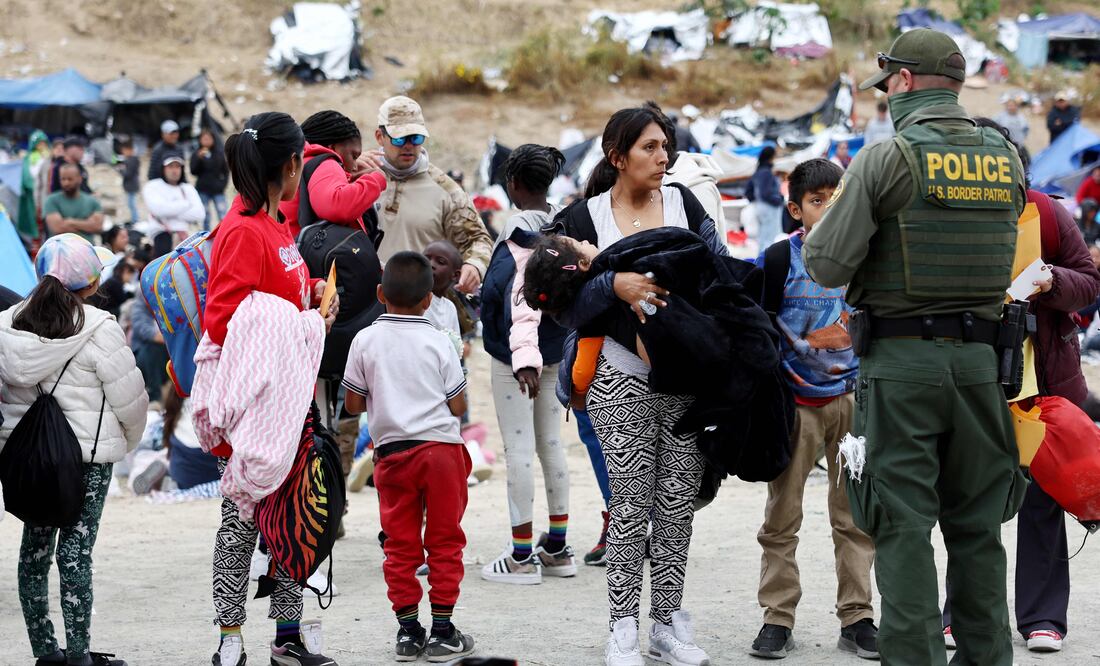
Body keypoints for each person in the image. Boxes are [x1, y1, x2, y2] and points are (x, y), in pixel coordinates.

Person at [803, 29, 1029, 665]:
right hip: (984, 366)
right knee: (979, 529)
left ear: (903, 81)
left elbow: (825, 263)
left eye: (887, 86)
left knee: (901, 525)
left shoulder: (887, 158)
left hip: (902, 367)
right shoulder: (1006, 156)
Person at [547, 105, 731, 666]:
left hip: (684, 379)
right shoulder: (583, 219)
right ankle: (622, 628)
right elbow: (560, 305)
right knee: (629, 505)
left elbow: (722, 277)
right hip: (617, 376)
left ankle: (666, 626)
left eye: (664, 146)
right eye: (649, 147)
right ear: (617, 156)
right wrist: (614, 285)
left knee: (676, 504)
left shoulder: (685, 205)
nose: (662, 157)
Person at [939, 118, 1100, 655]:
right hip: (973, 378)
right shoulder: (948, 214)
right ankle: (963, 614)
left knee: (1043, 499)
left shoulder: (1047, 213)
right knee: (971, 499)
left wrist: (1052, 280)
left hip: (1044, 380)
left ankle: (1043, 617)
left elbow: (1089, 282)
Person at [201, 112, 339, 666]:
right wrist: (303, 324)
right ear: (290, 165)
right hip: (250, 408)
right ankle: (229, 640)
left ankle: (287, 638)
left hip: (288, 399)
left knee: (294, 519)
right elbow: (223, 321)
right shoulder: (241, 229)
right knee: (240, 523)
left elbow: (273, 296)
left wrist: (311, 292)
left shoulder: (277, 222)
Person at [0, 233, 148, 666]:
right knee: (75, 553)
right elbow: (131, 401)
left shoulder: (7, 325)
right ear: (91, 282)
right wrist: (123, 443)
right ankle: (80, 655)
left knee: (34, 552)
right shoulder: (100, 328)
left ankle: (46, 653)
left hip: (27, 459)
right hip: (87, 458)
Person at [750, 158, 877, 660]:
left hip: (851, 403)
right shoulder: (778, 259)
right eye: (816, 200)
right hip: (794, 406)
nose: (827, 209)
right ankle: (777, 618)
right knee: (782, 518)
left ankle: (858, 617)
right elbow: (757, 326)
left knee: (854, 517)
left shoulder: (865, 257)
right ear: (795, 209)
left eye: (836, 199)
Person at [341, 251, 476, 663]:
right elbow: (458, 407)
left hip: (392, 454)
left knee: (398, 544)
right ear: (428, 300)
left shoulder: (364, 340)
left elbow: (352, 405)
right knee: (445, 539)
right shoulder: (438, 341)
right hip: (441, 452)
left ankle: (407, 631)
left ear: (380, 294)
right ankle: (443, 631)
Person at [477, 144, 576, 585]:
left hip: (519, 361)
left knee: (519, 450)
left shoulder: (520, 240)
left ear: (512, 185)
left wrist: (523, 360)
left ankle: (520, 556)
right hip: (556, 352)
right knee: (551, 444)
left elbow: (521, 304)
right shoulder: (563, 231)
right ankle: (557, 548)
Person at [371, 95, 493, 293]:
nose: (408, 145)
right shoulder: (358, 176)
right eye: (399, 138)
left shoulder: (446, 189)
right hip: (364, 301)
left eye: (416, 138)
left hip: (418, 303)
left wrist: (474, 265)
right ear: (379, 136)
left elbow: (478, 239)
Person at [278, 109, 387, 238]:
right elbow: (336, 207)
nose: (354, 166)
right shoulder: (326, 162)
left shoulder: (296, 162)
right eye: (353, 156)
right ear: (333, 148)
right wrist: (377, 178)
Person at [141, 155, 205, 246]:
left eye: (177, 167)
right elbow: (159, 210)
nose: (174, 171)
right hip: (162, 236)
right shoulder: (152, 186)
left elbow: (200, 214)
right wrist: (186, 204)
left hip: (187, 237)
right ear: (163, 169)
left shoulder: (188, 188)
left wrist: (170, 211)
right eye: (170, 167)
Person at [43, 164, 103, 242]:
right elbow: (57, 228)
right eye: (63, 179)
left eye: (70, 179)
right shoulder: (51, 200)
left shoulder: (92, 201)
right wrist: (86, 224)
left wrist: (70, 222)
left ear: (79, 179)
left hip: (86, 248)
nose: (66, 183)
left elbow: (97, 227)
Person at [190, 128, 230, 229]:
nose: (206, 141)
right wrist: (199, 159)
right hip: (203, 189)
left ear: (213, 139)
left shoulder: (219, 153)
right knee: (205, 216)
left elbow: (226, 171)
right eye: (204, 139)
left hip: (218, 190)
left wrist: (223, 185)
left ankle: (223, 233)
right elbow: (193, 171)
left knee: (223, 215)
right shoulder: (197, 154)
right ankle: (206, 236)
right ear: (200, 140)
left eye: (209, 138)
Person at [747, 146, 784, 249]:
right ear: (771, 157)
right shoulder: (767, 173)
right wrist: (779, 199)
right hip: (769, 208)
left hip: (760, 207)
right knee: (769, 239)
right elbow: (766, 194)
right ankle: (767, 259)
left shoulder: (757, 172)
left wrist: (756, 202)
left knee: (762, 238)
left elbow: (748, 192)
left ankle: (762, 258)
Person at [17, 129, 50, 239]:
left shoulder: (48, 157)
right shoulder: (29, 158)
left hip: (45, 193)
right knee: (34, 221)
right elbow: (28, 175)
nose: (41, 146)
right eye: (39, 143)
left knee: (45, 221)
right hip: (32, 193)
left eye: (43, 143)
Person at [116, 138, 141, 226]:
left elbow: (128, 174)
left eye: (124, 150)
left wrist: (120, 170)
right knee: (130, 203)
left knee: (131, 204)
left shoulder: (132, 160)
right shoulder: (130, 160)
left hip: (132, 185)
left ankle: (135, 220)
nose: (123, 152)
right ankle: (134, 219)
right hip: (130, 185)